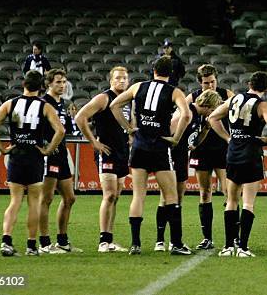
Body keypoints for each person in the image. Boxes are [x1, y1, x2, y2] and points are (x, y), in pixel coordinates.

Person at [110, 56, 192, 255]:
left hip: (139, 146)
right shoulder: (174, 91)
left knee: (138, 196)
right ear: (171, 72)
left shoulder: (138, 87)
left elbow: (114, 105)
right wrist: (176, 138)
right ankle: (176, 243)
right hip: (160, 147)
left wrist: (129, 128)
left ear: (153, 70)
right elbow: (187, 115)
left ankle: (136, 244)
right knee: (171, 195)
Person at [0, 71, 65, 256]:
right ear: (41, 87)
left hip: (16, 156)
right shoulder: (45, 106)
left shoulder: (10, 103)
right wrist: (47, 150)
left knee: (14, 201)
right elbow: (60, 131)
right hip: (35, 158)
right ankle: (31, 246)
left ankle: (6, 241)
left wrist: (2, 149)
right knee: (34, 202)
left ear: (23, 83)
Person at [209, 72, 267, 257]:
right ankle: (243, 247)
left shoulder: (234, 99)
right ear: (266, 88)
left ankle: (227, 246)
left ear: (249, 83)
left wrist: (228, 137)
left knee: (231, 200)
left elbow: (212, 118)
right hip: (251, 153)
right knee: (248, 202)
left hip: (233, 152)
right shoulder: (263, 104)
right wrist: (265, 140)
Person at [155, 89, 224, 252]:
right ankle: (160, 241)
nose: (214, 113)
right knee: (166, 198)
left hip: (181, 158)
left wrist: (197, 141)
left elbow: (200, 133)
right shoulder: (186, 112)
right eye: (213, 109)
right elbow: (166, 132)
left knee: (177, 198)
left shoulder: (201, 116)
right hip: (170, 157)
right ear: (208, 106)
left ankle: (173, 240)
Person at [75, 66, 132, 253]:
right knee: (108, 195)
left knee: (115, 197)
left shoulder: (128, 101)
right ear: (111, 81)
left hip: (123, 153)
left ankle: (110, 239)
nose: (121, 81)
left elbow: (129, 124)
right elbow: (80, 117)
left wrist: (131, 139)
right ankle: (102, 241)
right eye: (118, 78)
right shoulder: (104, 98)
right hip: (107, 152)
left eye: (124, 78)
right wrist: (93, 142)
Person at [184, 64, 234, 250]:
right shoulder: (194, 97)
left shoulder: (227, 94)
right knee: (205, 192)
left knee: (229, 191)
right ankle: (207, 238)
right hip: (201, 149)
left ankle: (233, 238)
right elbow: (183, 116)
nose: (210, 85)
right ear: (200, 82)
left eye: (212, 81)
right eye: (206, 83)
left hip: (222, 148)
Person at [38, 68, 81, 254]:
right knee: (46, 199)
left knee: (70, 198)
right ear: (49, 84)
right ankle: (44, 243)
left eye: (64, 82)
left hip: (61, 154)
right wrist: (44, 147)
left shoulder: (62, 104)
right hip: (49, 155)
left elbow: (69, 129)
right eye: (58, 82)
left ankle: (62, 241)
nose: (62, 85)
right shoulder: (43, 103)